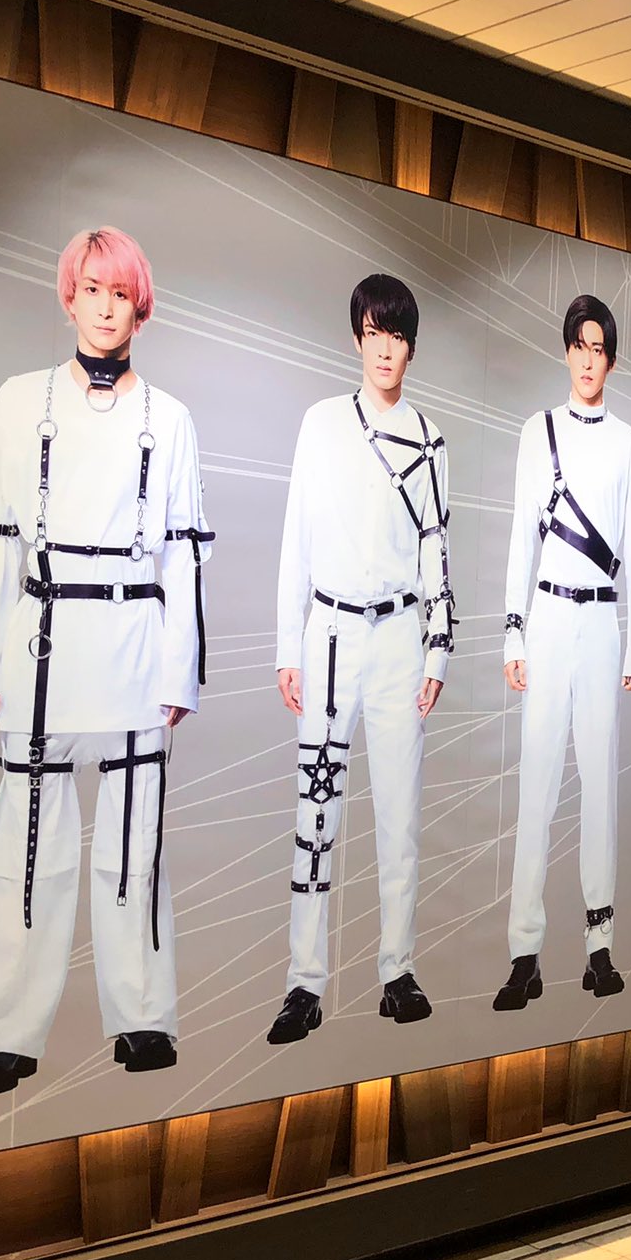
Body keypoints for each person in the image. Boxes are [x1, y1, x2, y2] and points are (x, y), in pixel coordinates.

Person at [0, 228, 211, 1098]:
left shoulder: (170, 418)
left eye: (120, 292)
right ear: (69, 297)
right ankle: (2, 1036)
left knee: (135, 842)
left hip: (135, 637)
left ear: (141, 305)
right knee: (27, 847)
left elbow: (184, 555)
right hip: (43, 637)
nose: (105, 307)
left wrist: (180, 672)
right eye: (91, 289)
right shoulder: (18, 400)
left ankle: (144, 1019)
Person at [267, 274, 454, 1044]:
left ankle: (397, 971)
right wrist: (290, 645)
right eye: (374, 333)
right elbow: (297, 537)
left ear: (411, 347)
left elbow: (437, 546)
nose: (385, 348)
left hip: (400, 638)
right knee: (316, 811)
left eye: (397, 335)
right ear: (356, 338)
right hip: (331, 636)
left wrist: (438, 650)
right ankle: (304, 982)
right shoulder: (320, 424)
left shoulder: (430, 439)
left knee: (399, 816)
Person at [495, 295, 631, 1010]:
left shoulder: (628, 442)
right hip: (550, 617)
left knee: (599, 788)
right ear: (566, 352)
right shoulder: (538, 431)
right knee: (538, 785)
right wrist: (513, 630)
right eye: (580, 346)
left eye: (599, 348)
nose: (589, 360)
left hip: (602, 622)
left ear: (611, 360)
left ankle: (599, 947)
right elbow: (521, 535)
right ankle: (524, 953)